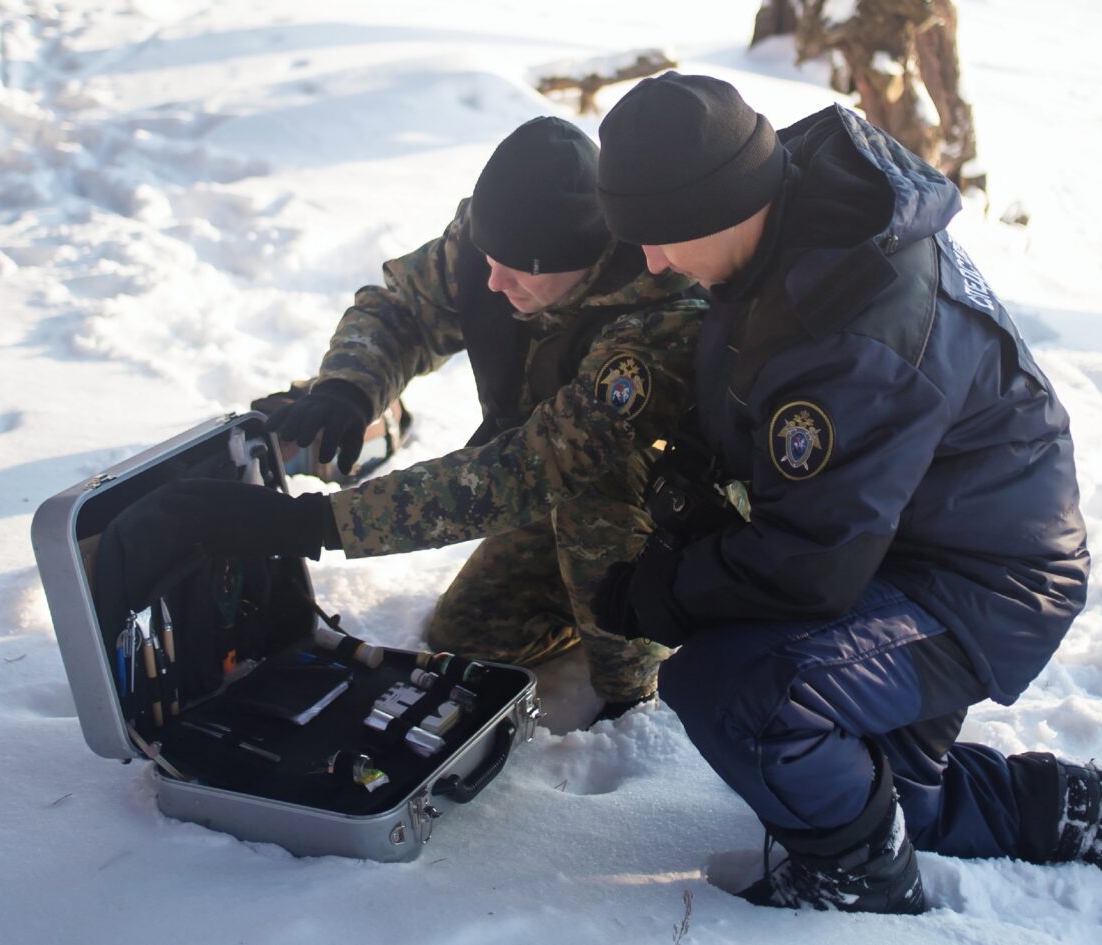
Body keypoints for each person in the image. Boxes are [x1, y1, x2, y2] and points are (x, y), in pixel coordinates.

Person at [589, 72, 1102, 913]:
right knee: (891, 797)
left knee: (742, 694)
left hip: (985, 577)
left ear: (722, 202)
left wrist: (664, 591)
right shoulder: (794, 204)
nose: (653, 262)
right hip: (923, 531)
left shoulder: (848, 323)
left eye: (662, 238)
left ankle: (860, 880)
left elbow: (807, 568)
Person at [96, 116, 706, 722]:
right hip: (544, 484)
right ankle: (586, 594)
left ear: (581, 252)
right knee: (475, 635)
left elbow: (526, 472)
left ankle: (641, 665)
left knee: (598, 529)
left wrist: (312, 524)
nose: (494, 281)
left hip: (659, 514)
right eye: (488, 257)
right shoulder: (495, 249)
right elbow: (402, 308)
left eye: (519, 266)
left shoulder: (656, 317)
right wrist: (350, 387)